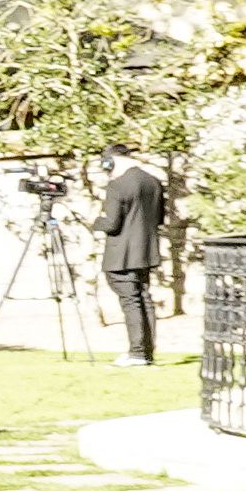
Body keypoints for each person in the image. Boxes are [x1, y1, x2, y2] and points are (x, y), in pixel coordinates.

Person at [99, 147, 170, 367]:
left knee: (131, 301)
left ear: (111, 161)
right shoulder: (153, 182)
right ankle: (146, 352)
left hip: (121, 255)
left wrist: (97, 221)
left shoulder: (118, 185)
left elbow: (111, 223)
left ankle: (137, 352)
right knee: (144, 299)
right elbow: (158, 218)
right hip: (146, 251)